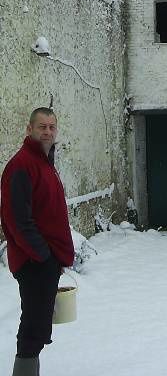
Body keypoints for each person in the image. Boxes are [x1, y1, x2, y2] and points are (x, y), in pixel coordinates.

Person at [0, 108, 75, 376]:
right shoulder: (21, 165)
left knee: (40, 324)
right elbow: (16, 219)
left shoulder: (44, 163)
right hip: (34, 262)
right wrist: (43, 256)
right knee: (33, 327)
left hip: (44, 261)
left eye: (52, 127)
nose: (47, 132)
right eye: (42, 127)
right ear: (29, 129)